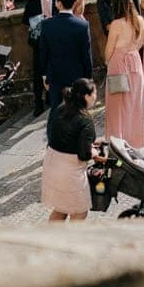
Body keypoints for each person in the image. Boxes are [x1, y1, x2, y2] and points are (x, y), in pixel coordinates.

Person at [43, 78, 98, 222]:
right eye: (94, 93)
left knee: (61, 209)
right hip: (69, 171)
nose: (96, 96)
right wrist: (94, 152)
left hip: (52, 163)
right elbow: (84, 154)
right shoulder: (85, 119)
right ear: (86, 96)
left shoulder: (61, 108)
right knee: (79, 211)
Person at [38, 0, 93, 129]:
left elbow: (43, 52)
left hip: (55, 74)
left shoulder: (47, 25)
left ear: (59, 4)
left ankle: (53, 141)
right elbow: (86, 54)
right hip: (76, 74)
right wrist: (89, 77)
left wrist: (44, 75)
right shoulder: (82, 25)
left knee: (56, 109)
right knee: (77, 109)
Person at [103, 0, 144, 147]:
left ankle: (117, 142)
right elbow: (141, 43)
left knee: (117, 106)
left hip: (119, 63)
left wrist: (107, 62)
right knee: (135, 103)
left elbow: (109, 49)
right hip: (135, 61)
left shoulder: (116, 24)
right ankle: (136, 140)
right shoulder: (140, 20)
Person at [25, 0, 57, 115]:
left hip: (53, 40)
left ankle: (51, 99)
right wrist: (38, 20)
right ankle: (38, 104)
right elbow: (25, 19)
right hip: (38, 41)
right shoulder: (32, 0)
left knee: (53, 70)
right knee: (38, 72)